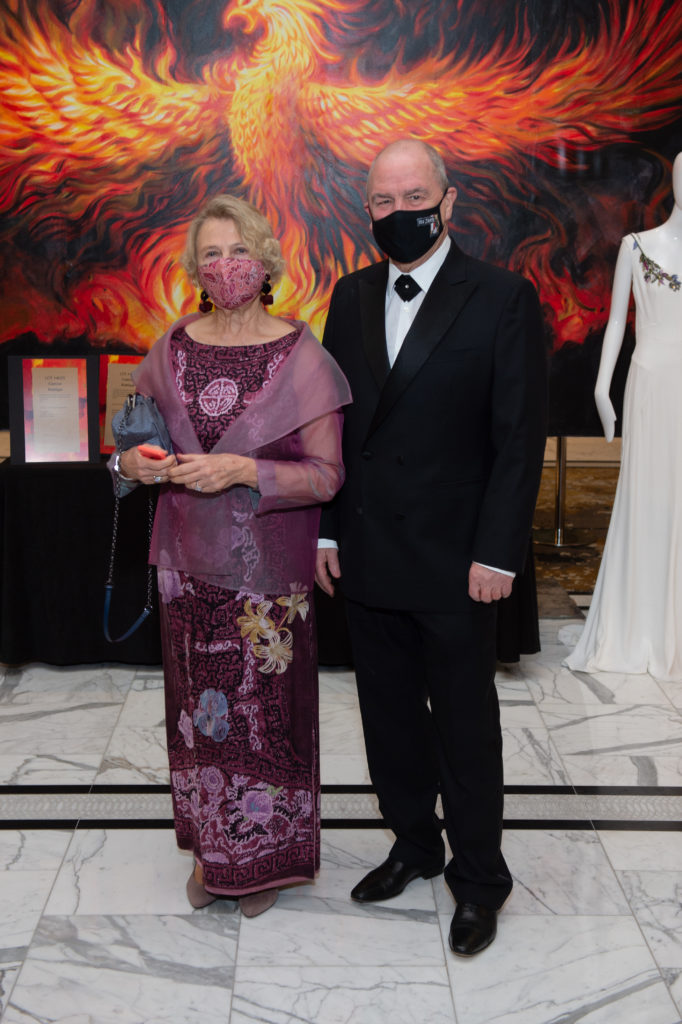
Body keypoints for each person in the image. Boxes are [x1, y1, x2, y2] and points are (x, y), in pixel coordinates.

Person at [316, 139, 547, 955]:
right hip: (369, 550)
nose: (399, 212)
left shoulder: (503, 297)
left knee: (464, 727)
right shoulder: (348, 295)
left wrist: (499, 553)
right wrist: (329, 526)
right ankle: (414, 845)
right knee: (387, 719)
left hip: (458, 562)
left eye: (414, 197)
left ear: (448, 202)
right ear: (368, 210)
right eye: (383, 201)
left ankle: (479, 878)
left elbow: (518, 439)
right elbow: (335, 428)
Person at [111, 195, 351, 916]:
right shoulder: (171, 348)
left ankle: (263, 860)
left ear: (266, 261)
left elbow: (327, 476)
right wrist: (134, 465)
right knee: (200, 717)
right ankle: (211, 851)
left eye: (239, 250)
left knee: (263, 717)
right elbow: (131, 449)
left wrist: (243, 470)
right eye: (211, 254)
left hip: (266, 579)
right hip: (185, 569)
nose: (226, 266)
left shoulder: (303, 355)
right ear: (195, 269)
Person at [565, 152, 682, 682]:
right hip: (652, 383)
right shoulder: (637, 247)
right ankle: (640, 625)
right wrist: (600, 387)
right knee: (649, 496)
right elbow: (615, 323)